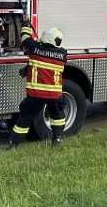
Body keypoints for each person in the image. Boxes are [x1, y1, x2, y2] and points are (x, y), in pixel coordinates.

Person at [5, 21, 68, 149]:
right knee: (57, 117)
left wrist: (25, 23)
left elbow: (25, 38)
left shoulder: (34, 49)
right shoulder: (62, 54)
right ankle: (56, 140)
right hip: (54, 95)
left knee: (25, 118)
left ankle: (13, 144)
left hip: (36, 95)